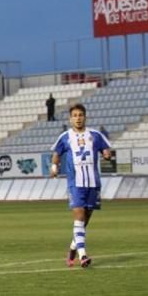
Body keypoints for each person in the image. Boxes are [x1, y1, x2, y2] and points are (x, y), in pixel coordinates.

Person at [50, 104, 112, 268]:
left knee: (86, 218)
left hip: (93, 183)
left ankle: (72, 247)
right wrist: (54, 167)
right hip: (75, 183)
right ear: (70, 118)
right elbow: (57, 153)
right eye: (75, 115)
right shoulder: (65, 136)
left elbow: (106, 149)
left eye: (80, 115)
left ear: (85, 117)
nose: (78, 118)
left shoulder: (95, 135)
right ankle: (83, 255)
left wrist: (106, 154)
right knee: (79, 215)